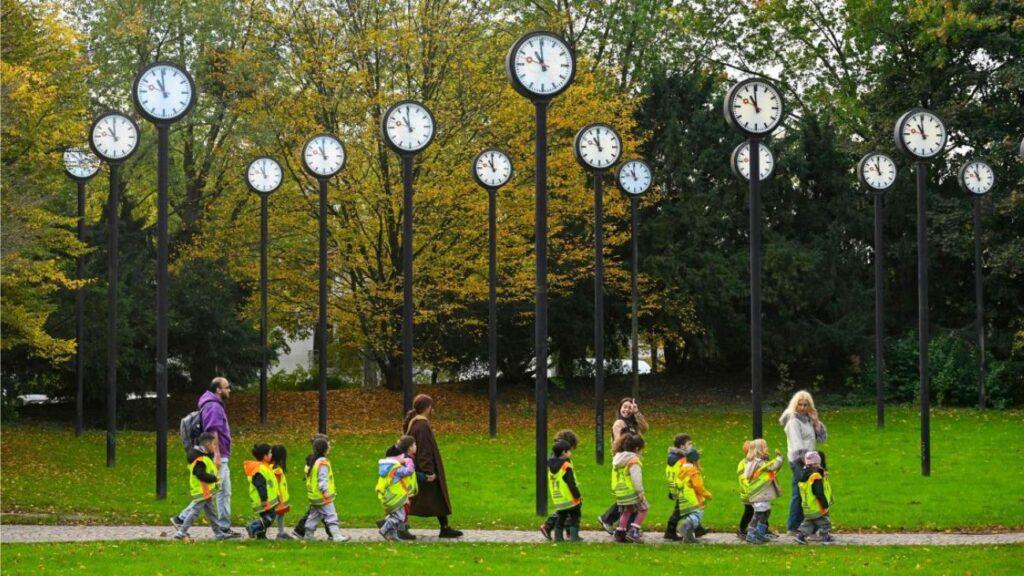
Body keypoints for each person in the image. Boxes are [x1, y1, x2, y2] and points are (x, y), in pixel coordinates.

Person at [404, 394, 463, 538]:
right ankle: (401, 527)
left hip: (419, 467)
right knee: (411, 499)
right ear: (428, 408)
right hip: (424, 469)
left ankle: (444, 527)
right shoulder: (422, 426)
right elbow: (424, 450)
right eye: (431, 406)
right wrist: (428, 472)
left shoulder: (415, 423)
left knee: (431, 498)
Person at [779, 390, 828, 534]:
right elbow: (797, 445)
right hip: (799, 461)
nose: (802, 407)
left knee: (810, 493)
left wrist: (816, 420)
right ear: (795, 405)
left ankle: (808, 526)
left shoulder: (807, 420)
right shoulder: (793, 421)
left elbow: (821, 438)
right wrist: (810, 464)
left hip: (811, 460)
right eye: (799, 404)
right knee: (799, 493)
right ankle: (793, 527)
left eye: (805, 405)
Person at [598, 398, 649, 533]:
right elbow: (619, 442)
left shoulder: (633, 423)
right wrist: (626, 457)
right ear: (620, 408)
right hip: (624, 460)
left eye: (629, 408)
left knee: (629, 494)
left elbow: (645, 428)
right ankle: (611, 520)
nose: (626, 410)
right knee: (629, 494)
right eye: (624, 407)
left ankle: (624, 525)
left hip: (632, 457)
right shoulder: (619, 423)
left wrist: (637, 413)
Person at [199, 377, 240, 538]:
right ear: (218, 389)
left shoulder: (214, 405)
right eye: (227, 387)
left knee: (224, 491)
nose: (229, 390)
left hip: (223, 456)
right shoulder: (213, 406)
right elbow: (212, 431)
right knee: (215, 489)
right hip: (219, 455)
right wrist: (216, 454)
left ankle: (224, 526)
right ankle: (182, 518)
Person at [172, 432, 222, 540]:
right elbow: (200, 474)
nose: (215, 447)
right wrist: (214, 478)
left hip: (206, 491)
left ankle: (218, 533)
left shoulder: (204, 457)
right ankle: (181, 532)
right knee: (195, 512)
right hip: (202, 491)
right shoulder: (200, 459)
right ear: (207, 445)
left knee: (212, 513)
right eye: (214, 444)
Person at [302, 433, 349, 542]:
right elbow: (322, 479)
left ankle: (308, 535)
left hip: (314, 496)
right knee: (331, 515)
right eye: (328, 446)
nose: (330, 447)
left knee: (314, 516)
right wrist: (325, 491)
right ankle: (336, 536)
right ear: (324, 449)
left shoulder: (313, 461)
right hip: (323, 495)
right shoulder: (323, 462)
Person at [377, 435, 421, 541]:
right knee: (399, 517)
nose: (404, 458)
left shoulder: (387, 467)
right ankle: (384, 529)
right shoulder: (396, 468)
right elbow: (408, 472)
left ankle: (392, 535)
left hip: (390, 496)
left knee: (395, 515)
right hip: (397, 497)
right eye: (402, 456)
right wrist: (409, 462)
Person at [540, 429, 579, 540]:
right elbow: (568, 476)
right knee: (568, 509)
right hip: (565, 488)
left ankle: (562, 531)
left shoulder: (553, 456)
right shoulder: (564, 460)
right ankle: (549, 525)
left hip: (557, 488)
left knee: (564, 509)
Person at [744, 438, 784, 544]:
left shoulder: (756, 461)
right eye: (765, 447)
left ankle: (759, 532)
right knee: (759, 513)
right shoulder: (759, 463)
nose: (767, 449)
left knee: (766, 512)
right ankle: (751, 534)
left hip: (761, 493)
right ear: (759, 449)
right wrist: (779, 458)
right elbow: (773, 467)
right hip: (760, 493)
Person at [611, 433, 647, 543]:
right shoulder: (633, 461)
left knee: (627, 511)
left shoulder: (617, 458)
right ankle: (634, 531)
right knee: (644, 508)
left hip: (621, 490)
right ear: (636, 448)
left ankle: (620, 532)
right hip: (631, 491)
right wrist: (640, 492)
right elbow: (636, 478)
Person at [673, 446, 712, 543]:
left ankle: (688, 537)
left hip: (684, 497)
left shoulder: (682, 469)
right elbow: (697, 485)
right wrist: (706, 494)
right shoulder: (693, 471)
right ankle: (684, 526)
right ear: (695, 460)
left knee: (689, 514)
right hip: (694, 497)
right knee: (697, 515)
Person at [795, 451, 833, 544]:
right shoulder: (815, 477)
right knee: (824, 522)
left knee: (809, 522)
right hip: (817, 505)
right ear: (815, 464)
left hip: (807, 506)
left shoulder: (803, 475)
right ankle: (825, 537)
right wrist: (824, 504)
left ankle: (801, 536)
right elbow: (819, 492)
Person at [244, 443, 279, 539]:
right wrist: (264, 499)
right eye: (270, 453)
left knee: (266, 517)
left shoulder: (265, 467)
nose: (271, 454)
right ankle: (253, 526)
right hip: (263, 500)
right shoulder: (259, 470)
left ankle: (260, 536)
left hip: (267, 500)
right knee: (269, 518)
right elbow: (261, 486)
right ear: (265, 456)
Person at [663, 433, 692, 540]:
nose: (691, 446)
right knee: (682, 510)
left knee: (684, 508)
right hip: (682, 488)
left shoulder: (672, 458)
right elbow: (686, 474)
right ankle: (670, 532)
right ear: (682, 446)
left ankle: (697, 529)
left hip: (674, 487)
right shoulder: (682, 460)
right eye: (689, 444)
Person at [271, 445, 292, 540]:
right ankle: (280, 532)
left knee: (279, 515)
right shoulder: (277, 471)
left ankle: (281, 532)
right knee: (275, 515)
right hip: (278, 498)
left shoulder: (272, 468)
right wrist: (279, 498)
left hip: (279, 498)